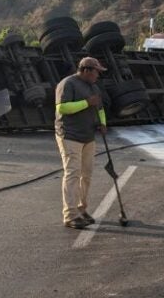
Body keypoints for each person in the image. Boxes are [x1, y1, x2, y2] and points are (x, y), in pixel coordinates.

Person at [55, 57, 108, 229]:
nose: (98, 76)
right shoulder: (68, 84)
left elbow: (99, 108)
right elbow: (61, 108)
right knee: (73, 174)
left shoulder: (93, 87)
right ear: (86, 70)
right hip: (70, 135)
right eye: (96, 72)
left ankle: (81, 208)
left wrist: (103, 123)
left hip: (88, 136)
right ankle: (69, 215)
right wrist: (86, 103)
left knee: (87, 175)